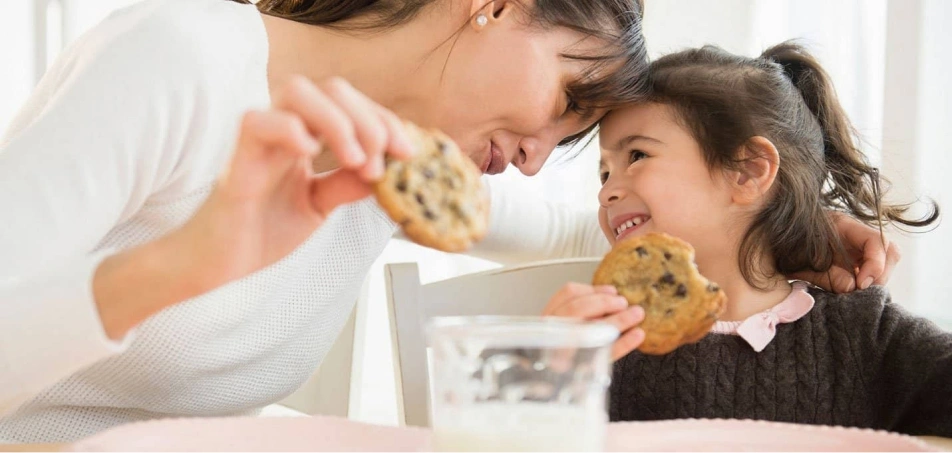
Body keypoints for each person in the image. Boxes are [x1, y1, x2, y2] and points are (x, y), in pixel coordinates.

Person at [0, 0, 896, 443]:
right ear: (496, 6)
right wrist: (183, 264)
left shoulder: (396, 160)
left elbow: (575, 229)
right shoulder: (178, 60)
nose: (542, 156)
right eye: (565, 101)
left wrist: (793, 222)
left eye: (572, 140)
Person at [544, 42, 950, 436]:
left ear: (748, 172)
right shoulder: (599, 342)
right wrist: (545, 372)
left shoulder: (863, 334)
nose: (606, 192)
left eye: (636, 156)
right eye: (604, 173)